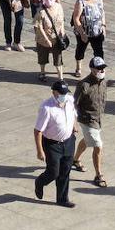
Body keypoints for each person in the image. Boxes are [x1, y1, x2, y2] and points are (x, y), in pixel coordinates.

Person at [33, 80, 79, 209]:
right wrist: (40, 151)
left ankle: (62, 199)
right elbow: (38, 131)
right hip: (52, 144)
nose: (64, 95)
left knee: (65, 171)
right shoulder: (46, 108)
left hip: (69, 141)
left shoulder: (69, 100)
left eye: (65, 93)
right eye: (61, 93)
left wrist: (74, 126)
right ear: (54, 92)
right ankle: (40, 181)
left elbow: (73, 114)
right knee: (53, 172)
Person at [72, 56, 108, 188]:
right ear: (92, 69)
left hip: (98, 119)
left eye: (103, 67)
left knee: (88, 140)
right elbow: (73, 104)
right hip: (87, 119)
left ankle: (75, 160)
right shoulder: (83, 85)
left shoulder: (103, 82)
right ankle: (98, 175)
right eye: (99, 68)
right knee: (98, 146)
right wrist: (74, 122)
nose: (102, 70)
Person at [71, 0, 105, 79]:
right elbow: (76, 19)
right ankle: (78, 67)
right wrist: (82, 33)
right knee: (81, 50)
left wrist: (103, 26)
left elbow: (102, 12)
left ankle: (99, 69)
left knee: (99, 52)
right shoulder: (80, 2)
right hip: (84, 32)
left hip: (97, 32)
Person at [34, 0, 66, 83]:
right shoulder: (41, 10)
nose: (49, 0)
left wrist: (63, 31)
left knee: (58, 58)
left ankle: (60, 78)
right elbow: (39, 27)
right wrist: (46, 40)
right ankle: (42, 73)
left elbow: (62, 20)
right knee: (42, 57)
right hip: (43, 39)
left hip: (56, 38)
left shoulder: (59, 7)